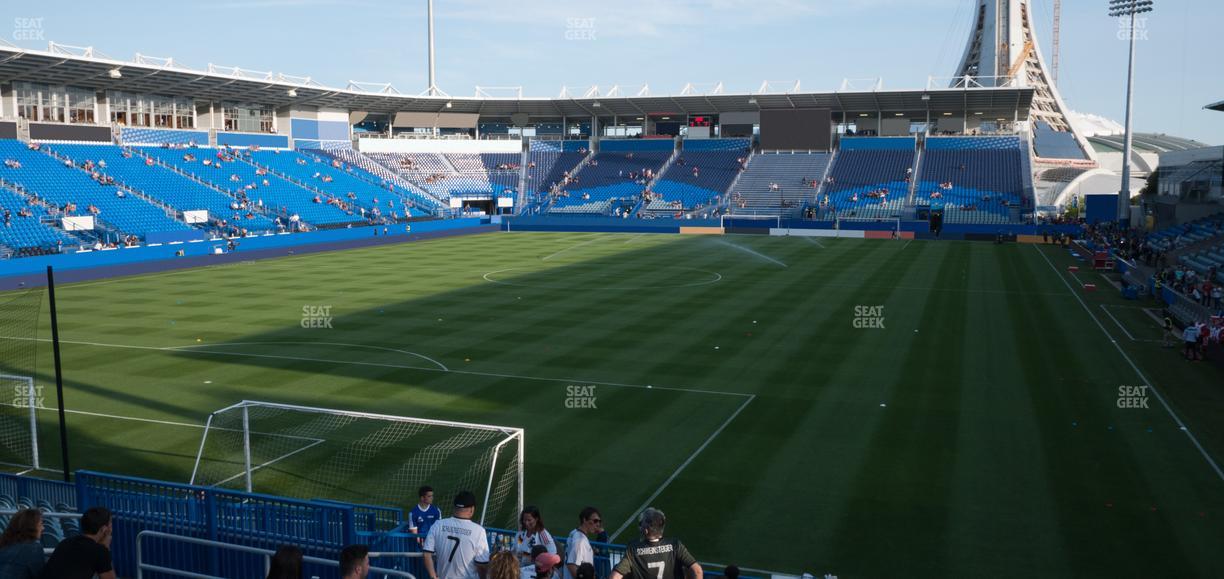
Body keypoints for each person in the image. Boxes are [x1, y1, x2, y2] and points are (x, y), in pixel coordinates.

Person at [609, 508, 701, 579]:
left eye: (641, 524)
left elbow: (615, 577)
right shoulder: (675, 545)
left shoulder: (633, 549)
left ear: (645, 530)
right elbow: (697, 571)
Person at [423, 490, 490, 579]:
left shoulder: (437, 525)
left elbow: (426, 554)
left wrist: (433, 576)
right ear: (472, 509)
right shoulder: (479, 531)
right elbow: (482, 564)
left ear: (454, 507)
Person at [38, 507, 114, 579]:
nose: (111, 529)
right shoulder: (99, 551)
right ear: (104, 529)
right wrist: (106, 547)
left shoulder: (66, 542)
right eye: (110, 525)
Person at [0, 509, 45, 579]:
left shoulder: (4, 544)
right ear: (31, 527)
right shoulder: (34, 548)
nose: (43, 528)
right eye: (41, 524)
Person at [564, 507, 601, 579]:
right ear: (584, 520)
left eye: (599, 521)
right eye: (595, 521)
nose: (598, 524)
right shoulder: (580, 541)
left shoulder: (574, 532)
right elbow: (572, 565)